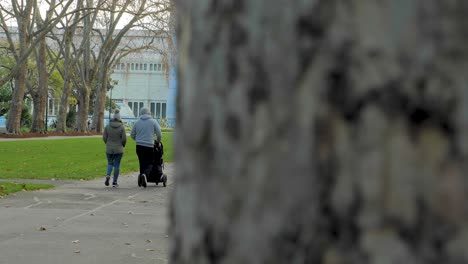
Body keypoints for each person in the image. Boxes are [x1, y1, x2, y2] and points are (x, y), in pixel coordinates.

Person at [130, 107, 162, 187]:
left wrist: (138, 140)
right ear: (148, 113)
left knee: (142, 162)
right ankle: (145, 175)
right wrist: (157, 142)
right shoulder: (153, 122)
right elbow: (159, 134)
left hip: (139, 146)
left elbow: (132, 135)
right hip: (149, 146)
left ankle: (141, 179)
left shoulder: (137, 122)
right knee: (150, 162)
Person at [103, 110, 127, 187]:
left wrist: (107, 143)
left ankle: (108, 175)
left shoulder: (107, 126)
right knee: (117, 165)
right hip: (118, 148)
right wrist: (122, 145)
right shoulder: (122, 128)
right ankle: (114, 182)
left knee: (110, 163)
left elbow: (104, 137)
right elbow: (124, 139)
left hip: (109, 148)